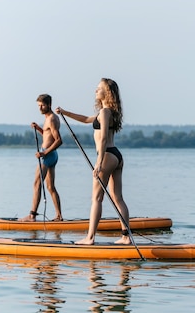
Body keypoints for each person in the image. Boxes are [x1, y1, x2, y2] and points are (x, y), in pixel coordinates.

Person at [56, 78, 130, 245]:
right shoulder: (107, 112)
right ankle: (126, 237)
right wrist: (65, 113)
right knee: (118, 198)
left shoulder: (105, 113)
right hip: (116, 156)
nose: (96, 91)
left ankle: (90, 238)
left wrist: (99, 162)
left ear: (108, 93)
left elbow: (103, 138)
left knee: (96, 199)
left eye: (99, 88)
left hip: (106, 156)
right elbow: (85, 119)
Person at [20, 94, 63, 222]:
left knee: (37, 183)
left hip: (48, 155)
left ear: (49, 104)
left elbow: (59, 140)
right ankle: (59, 216)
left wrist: (44, 153)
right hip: (51, 155)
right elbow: (47, 136)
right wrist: (38, 128)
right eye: (39, 105)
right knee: (50, 187)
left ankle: (32, 215)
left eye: (42, 105)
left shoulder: (52, 119)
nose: (40, 108)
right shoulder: (48, 118)